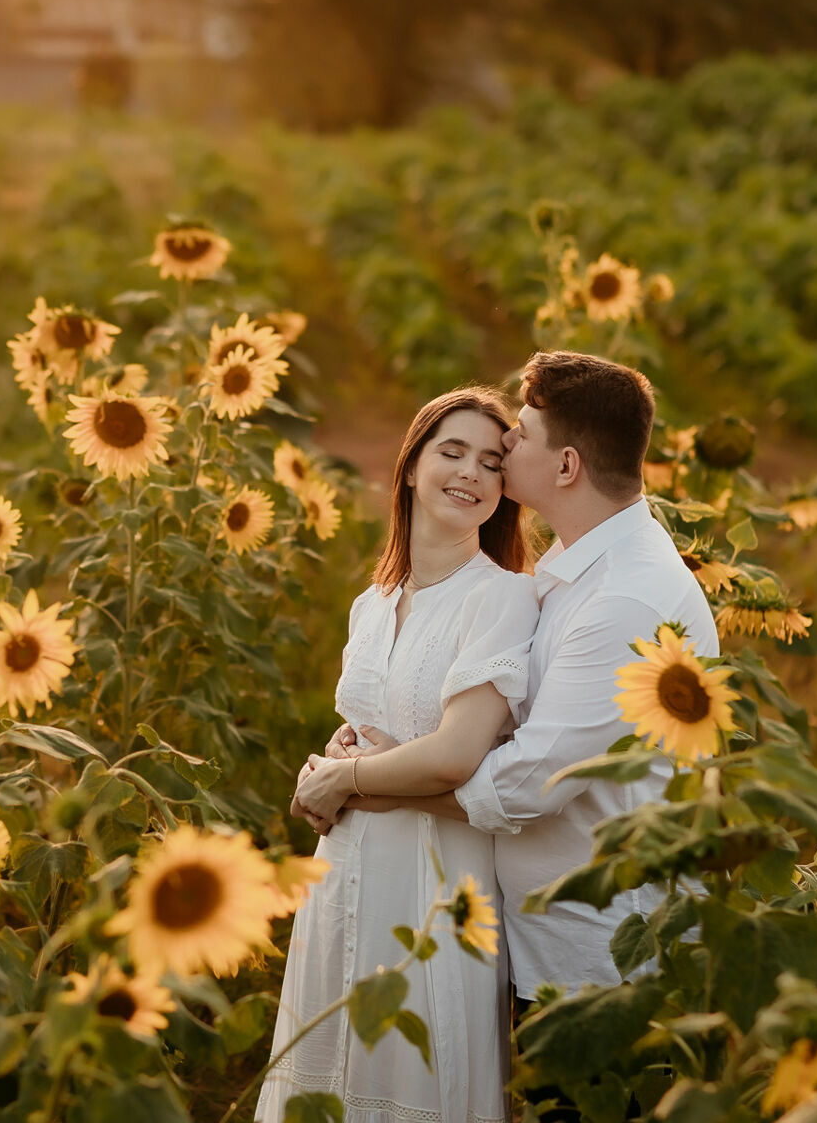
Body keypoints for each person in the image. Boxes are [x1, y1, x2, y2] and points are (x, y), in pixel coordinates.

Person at [307, 351, 721, 1122]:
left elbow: (528, 783)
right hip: (547, 940)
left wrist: (359, 785)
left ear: (564, 465)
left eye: (516, 439)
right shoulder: (574, 570)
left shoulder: (624, 595)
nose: (504, 450)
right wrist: (377, 745)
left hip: (608, 956)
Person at [256, 387, 539, 1123]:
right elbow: (366, 725)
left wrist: (341, 779)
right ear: (411, 465)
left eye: (489, 462)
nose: (471, 473)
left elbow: (452, 756)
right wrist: (331, 761)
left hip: (436, 882)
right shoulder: (371, 603)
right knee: (324, 1075)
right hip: (345, 870)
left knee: (412, 1069)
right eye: (452, 451)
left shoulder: (502, 599)